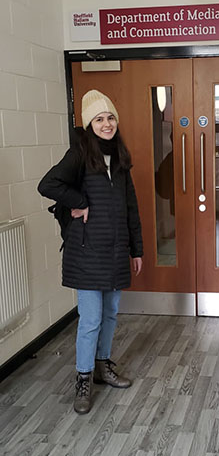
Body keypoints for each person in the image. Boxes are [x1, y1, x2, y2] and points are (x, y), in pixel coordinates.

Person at [38, 89, 143, 415]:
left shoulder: (121, 159)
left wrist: (136, 248)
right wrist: (79, 203)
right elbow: (48, 184)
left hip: (114, 251)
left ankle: (101, 367)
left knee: (110, 313)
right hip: (86, 252)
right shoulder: (79, 154)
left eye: (110, 117)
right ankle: (83, 379)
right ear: (89, 124)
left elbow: (131, 207)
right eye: (99, 118)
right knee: (91, 318)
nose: (107, 123)